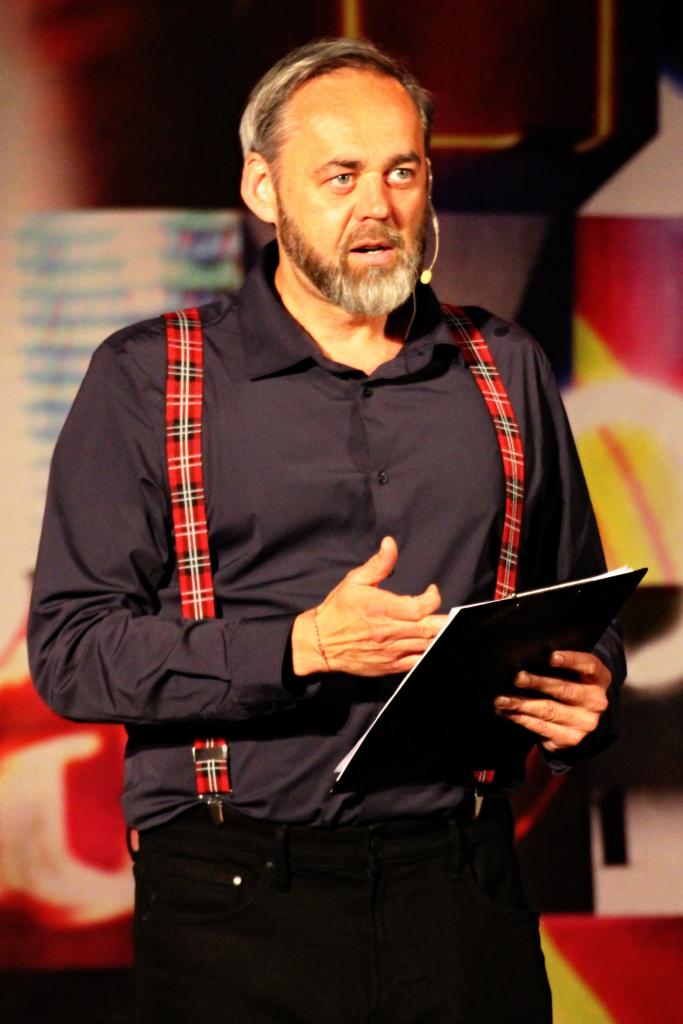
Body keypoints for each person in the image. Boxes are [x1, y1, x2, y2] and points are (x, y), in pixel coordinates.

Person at [28, 37, 624, 1024]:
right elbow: (70, 652)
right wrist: (299, 645)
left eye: (401, 172)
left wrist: (584, 697)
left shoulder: (502, 364)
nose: (377, 207)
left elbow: (576, 604)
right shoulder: (149, 376)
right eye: (340, 176)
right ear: (262, 187)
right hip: (235, 897)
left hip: (461, 886)